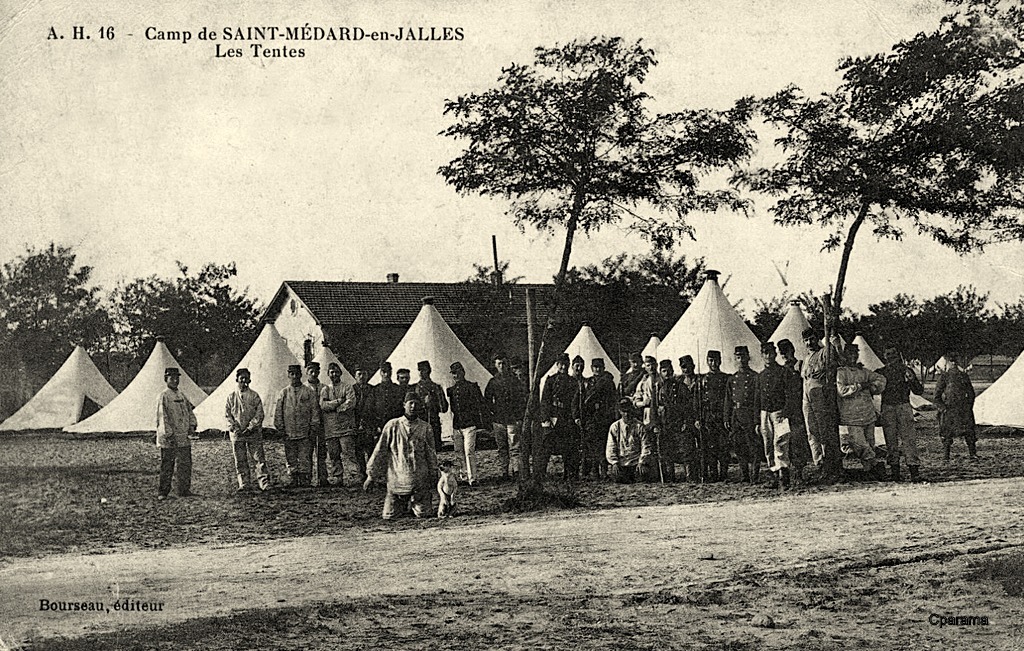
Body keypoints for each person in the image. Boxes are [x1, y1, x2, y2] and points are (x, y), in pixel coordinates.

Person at [363, 392, 438, 519]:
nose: (413, 406)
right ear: (404, 405)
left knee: (424, 514)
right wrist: (371, 476)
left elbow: (431, 454)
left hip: (419, 482)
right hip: (397, 482)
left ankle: (415, 505)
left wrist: (434, 474)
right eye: (411, 403)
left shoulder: (425, 427)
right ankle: (401, 505)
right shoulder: (392, 425)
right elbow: (379, 451)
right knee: (389, 516)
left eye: (416, 403)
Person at [836, 344, 886, 477]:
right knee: (859, 443)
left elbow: (881, 379)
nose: (853, 356)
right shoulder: (842, 372)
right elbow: (842, 390)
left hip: (867, 413)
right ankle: (874, 463)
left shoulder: (864, 371)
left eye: (855, 353)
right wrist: (859, 386)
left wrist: (872, 387)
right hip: (851, 415)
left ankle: (869, 471)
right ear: (845, 355)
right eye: (850, 354)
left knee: (870, 442)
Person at [878, 346, 925, 481]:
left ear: (898, 355)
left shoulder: (906, 371)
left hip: (903, 406)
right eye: (888, 354)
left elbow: (918, 391)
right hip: (887, 407)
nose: (891, 357)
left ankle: (914, 471)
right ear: (884, 356)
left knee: (909, 440)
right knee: (890, 441)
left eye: (893, 354)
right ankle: (895, 472)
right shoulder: (881, 372)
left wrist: (912, 380)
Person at [801, 328, 842, 480]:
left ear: (817, 339)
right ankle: (818, 462)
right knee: (811, 430)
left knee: (823, 429)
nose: (809, 342)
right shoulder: (806, 358)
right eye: (806, 340)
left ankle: (828, 463)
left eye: (812, 339)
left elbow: (839, 360)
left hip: (819, 391)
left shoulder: (824, 352)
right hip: (806, 393)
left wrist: (835, 345)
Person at [224, 368, 270, 493]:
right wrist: (234, 427)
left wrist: (251, 427)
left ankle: (264, 483)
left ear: (249, 380)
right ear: (237, 380)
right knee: (240, 459)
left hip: (252, 433)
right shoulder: (231, 397)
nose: (244, 381)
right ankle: (244, 483)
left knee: (258, 459)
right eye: (241, 379)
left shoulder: (254, 396)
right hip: (237, 434)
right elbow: (228, 415)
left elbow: (259, 414)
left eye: (246, 379)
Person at [274, 364, 320, 488]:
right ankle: (293, 478)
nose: (294, 377)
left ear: (301, 375)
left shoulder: (308, 392)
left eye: (297, 374)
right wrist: (280, 427)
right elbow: (278, 411)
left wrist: (313, 427)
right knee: (291, 457)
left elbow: (314, 410)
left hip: (304, 431)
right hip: (289, 431)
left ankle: (305, 480)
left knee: (305, 456)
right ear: (288, 375)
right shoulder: (283, 392)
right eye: (292, 374)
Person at [156, 367, 198, 500]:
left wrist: (192, 425)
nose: (175, 380)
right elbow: (162, 417)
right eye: (171, 378)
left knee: (185, 464)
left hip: (183, 436)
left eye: (176, 378)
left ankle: (183, 489)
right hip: (170, 437)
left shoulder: (181, 395)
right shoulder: (164, 396)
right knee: (167, 464)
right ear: (166, 379)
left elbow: (189, 411)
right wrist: (168, 434)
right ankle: (163, 492)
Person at [757, 341, 794, 489]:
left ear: (775, 354)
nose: (768, 356)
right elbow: (757, 398)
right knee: (768, 444)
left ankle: (784, 476)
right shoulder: (760, 376)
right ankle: (773, 474)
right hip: (764, 412)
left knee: (781, 442)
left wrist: (787, 410)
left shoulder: (783, 372)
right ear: (761, 355)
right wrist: (757, 421)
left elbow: (790, 393)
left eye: (771, 353)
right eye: (765, 353)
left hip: (779, 411)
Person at [447, 361, 490, 486]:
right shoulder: (451, 390)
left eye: (458, 373)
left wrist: (481, 422)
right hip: (457, 425)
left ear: (463, 373)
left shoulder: (471, 387)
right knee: (459, 452)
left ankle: (472, 478)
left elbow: (480, 404)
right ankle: (464, 476)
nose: (456, 376)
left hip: (470, 424)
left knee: (469, 451)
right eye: (453, 374)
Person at [484, 353, 526, 480]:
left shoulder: (515, 381)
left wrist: (519, 416)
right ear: (495, 366)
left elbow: (521, 399)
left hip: (512, 419)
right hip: (498, 420)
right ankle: (504, 472)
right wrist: (492, 414)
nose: (502, 366)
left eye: (504, 363)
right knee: (502, 447)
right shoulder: (493, 382)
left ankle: (516, 470)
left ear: (507, 364)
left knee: (514, 446)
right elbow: (487, 400)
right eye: (499, 364)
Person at [933, 350, 979, 462]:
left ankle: (972, 454)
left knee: (969, 432)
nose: (953, 364)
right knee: (947, 434)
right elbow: (936, 397)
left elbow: (971, 394)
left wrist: (968, 407)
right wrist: (943, 409)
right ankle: (946, 456)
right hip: (949, 409)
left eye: (955, 362)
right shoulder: (944, 377)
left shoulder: (964, 376)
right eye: (951, 362)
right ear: (948, 363)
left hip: (963, 408)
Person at [538, 354, 578, 480]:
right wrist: (545, 417)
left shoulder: (573, 381)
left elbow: (575, 400)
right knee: (546, 447)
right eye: (561, 364)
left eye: (566, 363)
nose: (563, 366)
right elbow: (545, 400)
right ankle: (541, 473)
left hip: (567, 418)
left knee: (569, 447)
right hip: (553, 417)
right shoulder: (551, 380)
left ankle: (569, 474)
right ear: (557, 365)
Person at [320, 362, 360, 487]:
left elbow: (351, 403)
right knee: (333, 454)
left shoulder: (347, 387)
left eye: (336, 372)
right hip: (331, 428)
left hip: (346, 427)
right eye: (331, 372)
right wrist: (338, 402)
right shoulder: (325, 389)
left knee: (348, 453)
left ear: (340, 373)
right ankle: (338, 477)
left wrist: (336, 408)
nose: (334, 374)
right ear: (328, 374)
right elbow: (323, 405)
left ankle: (355, 476)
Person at [777, 339, 811, 485]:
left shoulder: (801, 366)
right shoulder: (781, 370)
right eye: (782, 352)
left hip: (798, 409)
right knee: (784, 442)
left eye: (786, 351)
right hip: (785, 410)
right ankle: (784, 473)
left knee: (798, 441)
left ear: (792, 350)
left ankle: (799, 472)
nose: (784, 355)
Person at [578, 357, 618, 480]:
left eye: (599, 367)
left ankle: (604, 470)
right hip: (591, 418)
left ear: (603, 368)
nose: (597, 369)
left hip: (604, 417)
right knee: (592, 445)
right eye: (595, 367)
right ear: (591, 368)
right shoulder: (588, 382)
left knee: (603, 444)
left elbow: (613, 400)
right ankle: (594, 470)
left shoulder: (608, 381)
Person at [725, 346, 760, 483]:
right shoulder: (732, 379)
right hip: (736, 415)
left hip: (749, 414)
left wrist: (756, 419)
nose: (741, 360)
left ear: (748, 358)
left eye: (743, 357)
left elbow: (757, 400)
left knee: (753, 446)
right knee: (739, 446)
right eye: (738, 357)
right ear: (735, 359)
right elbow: (728, 400)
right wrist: (726, 417)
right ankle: (744, 474)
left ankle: (755, 475)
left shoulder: (754, 377)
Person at [632, 356, 667, 481]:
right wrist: (643, 403)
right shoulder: (643, 382)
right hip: (648, 417)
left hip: (661, 416)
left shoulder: (662, 379)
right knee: (649, 445)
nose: (651, 367)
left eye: (652, 364)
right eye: (648, 365)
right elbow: (636, 401)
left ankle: (665, 473)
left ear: (656, 365)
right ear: (645, 367)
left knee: (662, 445)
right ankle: (653, 474)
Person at [697, 351, 730, 481]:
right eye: (710, 361)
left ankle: (724, 474)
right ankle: (713, 474)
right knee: (710, 447)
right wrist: (698, 418)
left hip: (721, 416)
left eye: (716, 361)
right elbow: (697, 401)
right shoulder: (703, 379)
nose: (713, 364)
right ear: (707, 361)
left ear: (720, 361)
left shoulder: (725, 378)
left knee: (723, 447)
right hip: (708, 417)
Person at [606, 399, 652, 483]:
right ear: (620, 411)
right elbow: (611, 446)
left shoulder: (639, 426)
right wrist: (614, 462)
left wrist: (642, 462)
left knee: (643, 476)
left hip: (636, 462)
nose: (626, 414)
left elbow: (646, 445)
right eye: (623, 411)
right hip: (622, 463)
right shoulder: (615, 427)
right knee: (617, 478)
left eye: (628, 411)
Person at [676, 355, 701, 483]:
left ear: (694, 367)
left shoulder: (700, 380)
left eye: (689, 367)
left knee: (702, 447)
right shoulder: (678, 383)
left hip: (699, 418)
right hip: (686, 419)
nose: (686, 370)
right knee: (688, 448)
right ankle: (690, 475)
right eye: (683, 367)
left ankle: (703, 473)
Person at [415, 360, 449, 451]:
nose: (421, 373)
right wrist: (424, 404)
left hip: (434, 424)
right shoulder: (415, 388)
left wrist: (436, 400)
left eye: (423, 370)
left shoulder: (437, 387)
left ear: (429, 370)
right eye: (419, 370)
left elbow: (444, 408)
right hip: (419, 424)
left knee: (435, 451)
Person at [305, 361, 328, 487]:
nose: (314, 374)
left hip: (323, 424)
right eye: (311, 372)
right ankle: (308, 479)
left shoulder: (324, 387)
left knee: (322, 453)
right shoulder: (303, 389)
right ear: (307, 373)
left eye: (316, 372)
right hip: (308, 426)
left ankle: (323, 478)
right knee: (308, 452)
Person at [352, 365, 376, 470]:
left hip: (369, 424)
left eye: (364, 374)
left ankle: (371, 473)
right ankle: (362, 472)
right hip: (355, 423)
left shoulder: (372, 389)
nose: (362, 377)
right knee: (358, 450)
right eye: (359, 374)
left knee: (371, 449)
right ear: (355, 376)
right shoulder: (351, 389)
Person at [374, 361, 405, 433]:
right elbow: (369, 410)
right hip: (380, 427)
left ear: (391, 372)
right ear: (380, 373)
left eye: (389, 371)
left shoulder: (398, 389)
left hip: (396, 426)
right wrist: (375, 426)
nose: (386, 374)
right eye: (384, 371)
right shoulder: (375, 390)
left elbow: (402, 409)